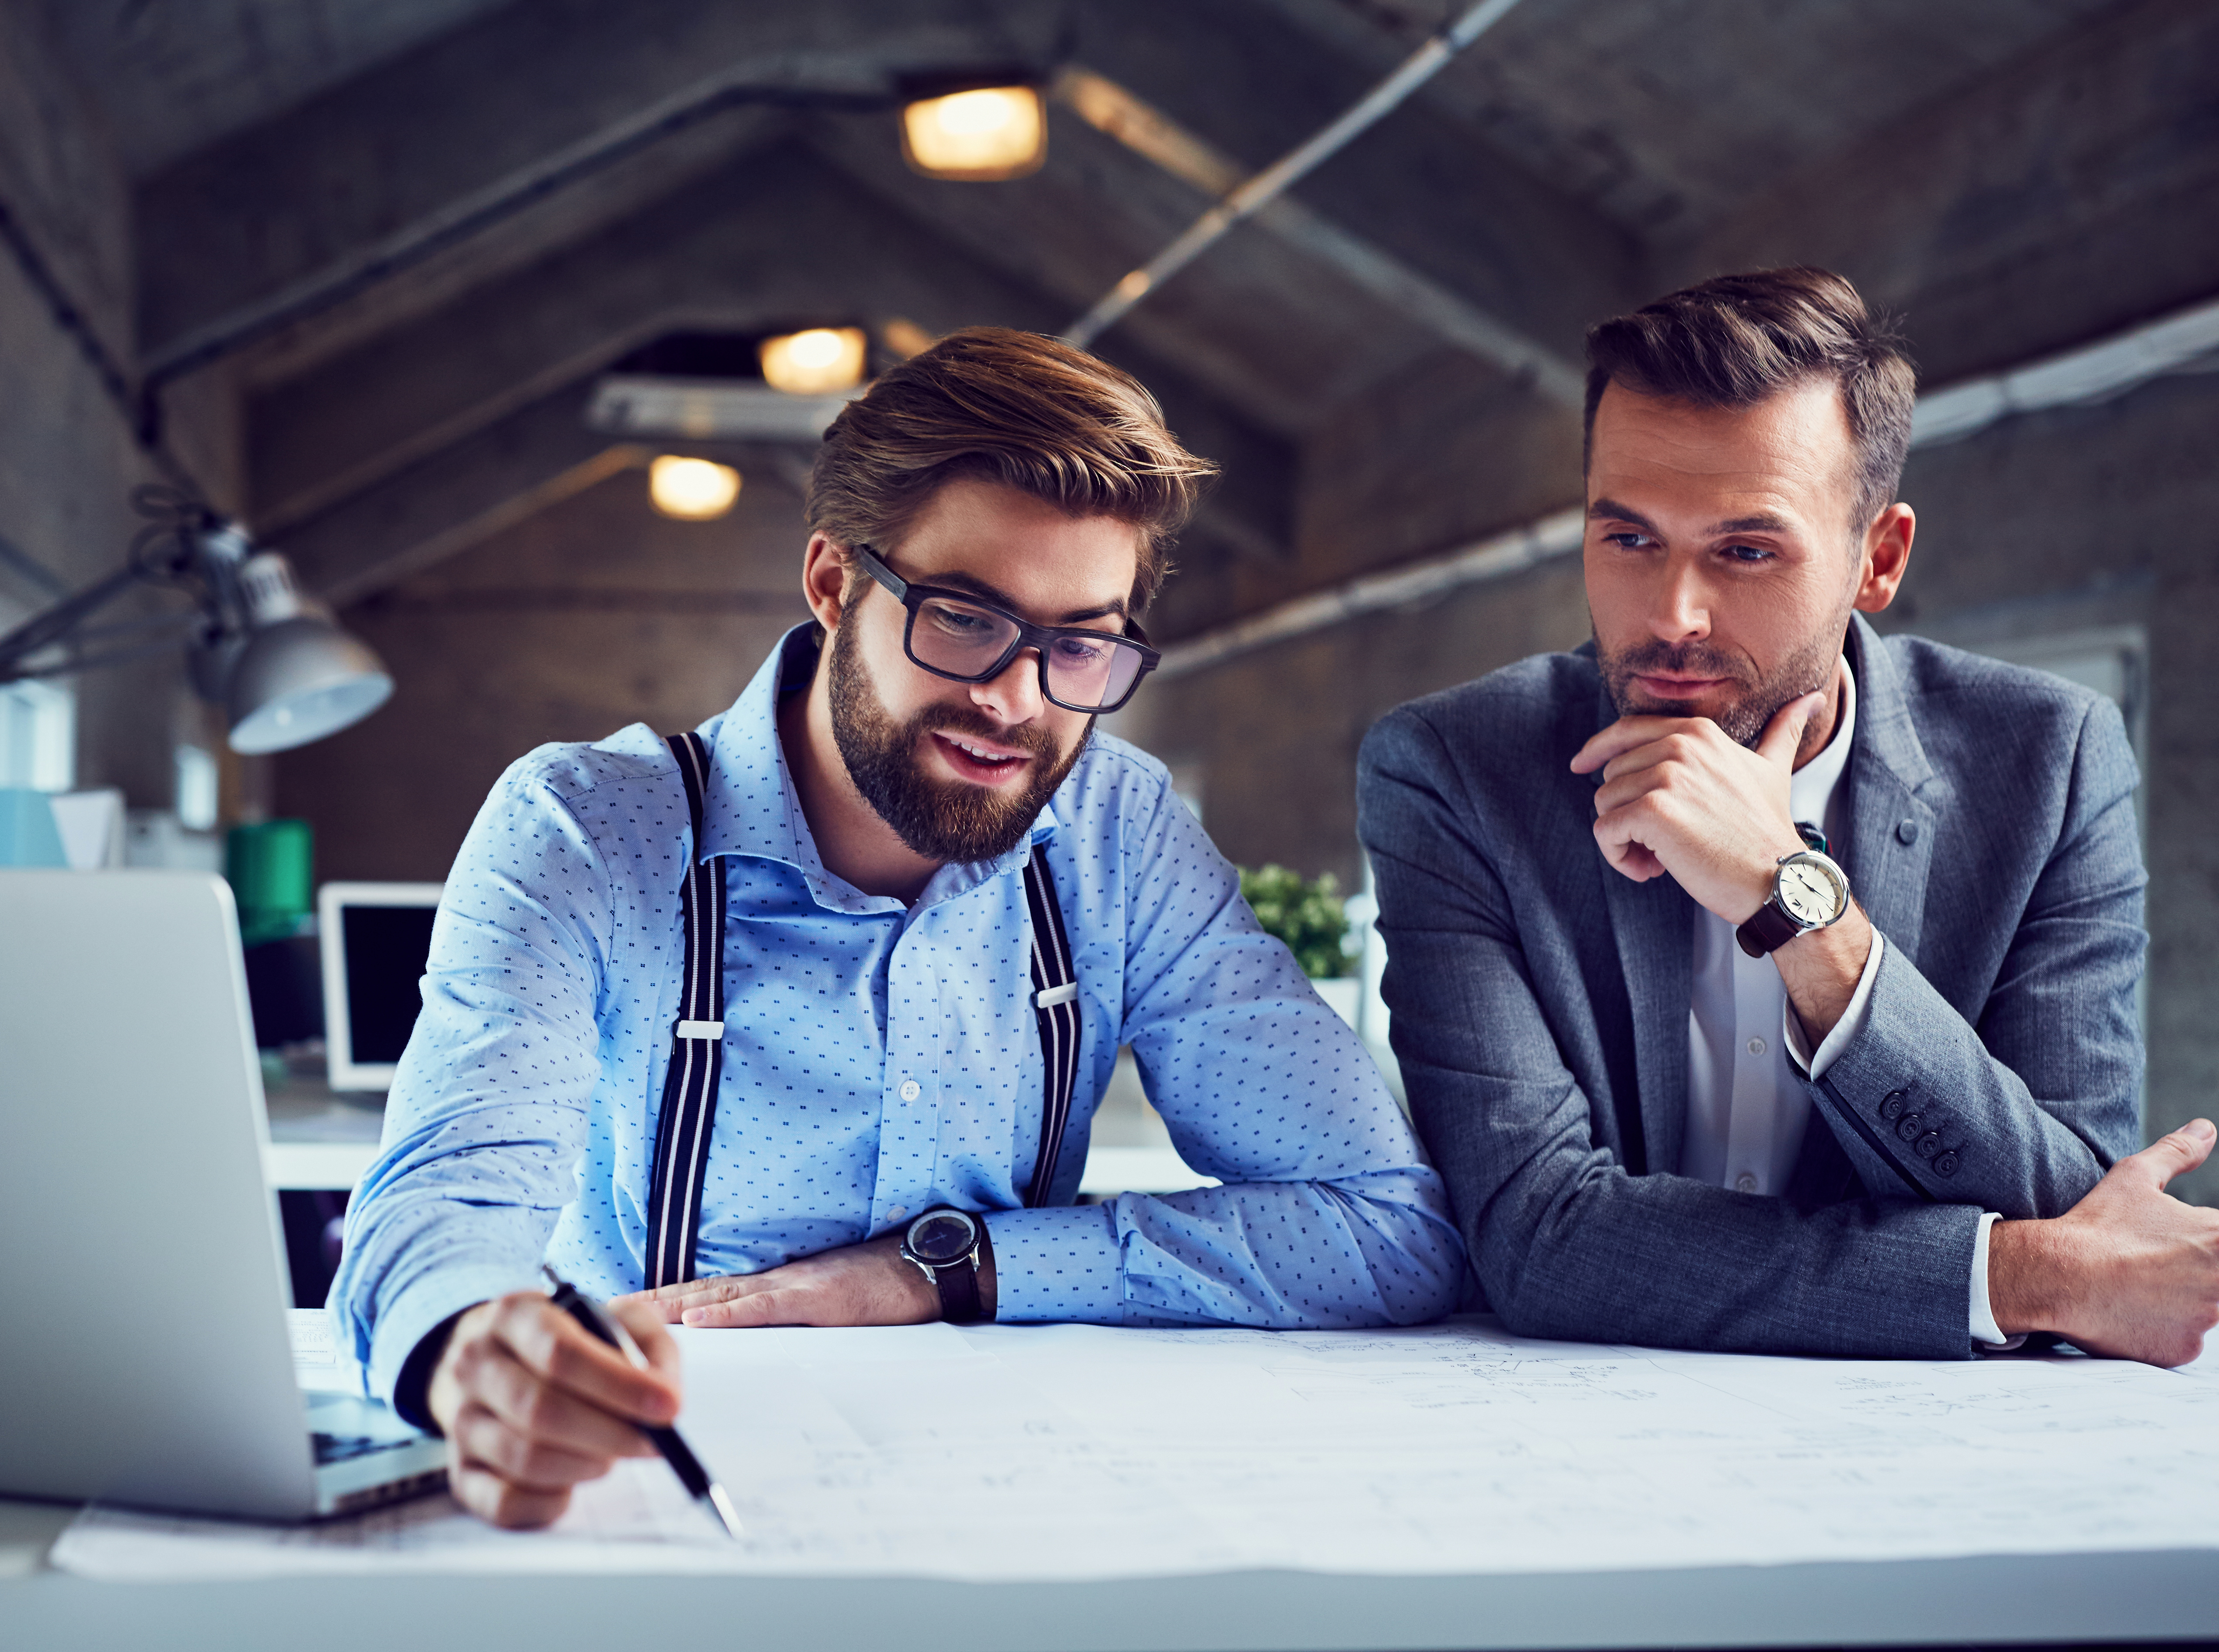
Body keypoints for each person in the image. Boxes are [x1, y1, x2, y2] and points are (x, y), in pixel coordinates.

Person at [335, 326, 1464, 1527]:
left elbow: (1381, 1225)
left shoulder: (1116, 832)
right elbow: (438, 1206)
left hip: (1012, 1496)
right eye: (966, 618)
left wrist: (953, 1271)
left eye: (1077, 643)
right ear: (833, 584)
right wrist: (470, 1351)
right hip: (653, 1486)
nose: (1014, 701)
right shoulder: (587, 830)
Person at [1359, 267, 2219, 1364]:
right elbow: (1535, 1234)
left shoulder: (2049, 760)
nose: (1670, 617)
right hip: (1560, 1430)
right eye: (1627, 539)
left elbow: (2072, 1187)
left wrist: (1795, 904)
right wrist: (2020, 1274)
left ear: (1880, 558)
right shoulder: (1454, 769)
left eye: (1745, 550)